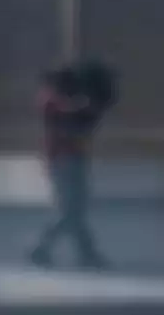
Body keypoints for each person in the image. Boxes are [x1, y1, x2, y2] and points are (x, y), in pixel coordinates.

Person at [29, 61, 112, 269]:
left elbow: (80, 118)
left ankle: (85, 253)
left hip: (72, 157)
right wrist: (88, 106)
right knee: (70, 212)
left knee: (75, 211)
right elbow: (71, 116)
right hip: (62, 159)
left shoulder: (58, 100)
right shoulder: (51, 100)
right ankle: (41, 248)